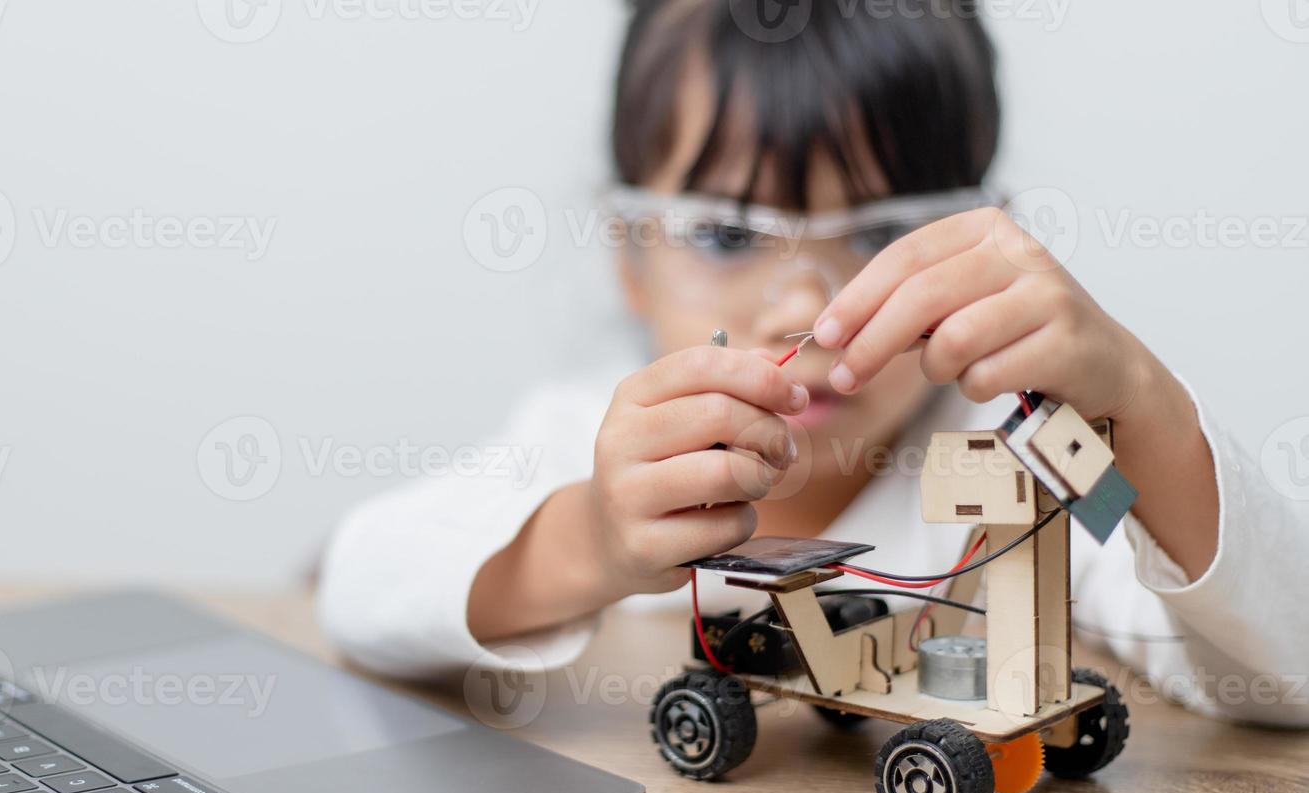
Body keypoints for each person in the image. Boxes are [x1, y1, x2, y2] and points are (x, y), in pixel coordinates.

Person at [319, 0, 1309, 726]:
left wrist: (1142, 407)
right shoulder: (587, 443)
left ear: (982, 244)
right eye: (722, 234)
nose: (804, 304)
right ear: (629, 253)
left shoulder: (1023, 453)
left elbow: (1289, 667)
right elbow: (358, 588)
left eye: (881, 233)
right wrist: (589, 539)